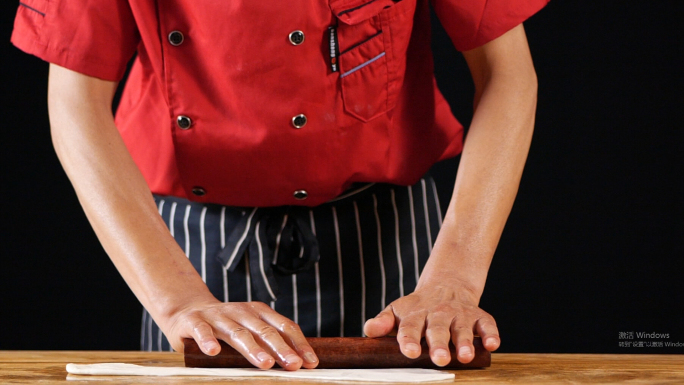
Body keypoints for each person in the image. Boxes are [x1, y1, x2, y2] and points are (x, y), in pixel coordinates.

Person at [12, 0, 547, 371]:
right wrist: (177, 301)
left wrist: (454, 278)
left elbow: (508, 74)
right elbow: (75, 100)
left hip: (389, 234)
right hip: (187, 245)